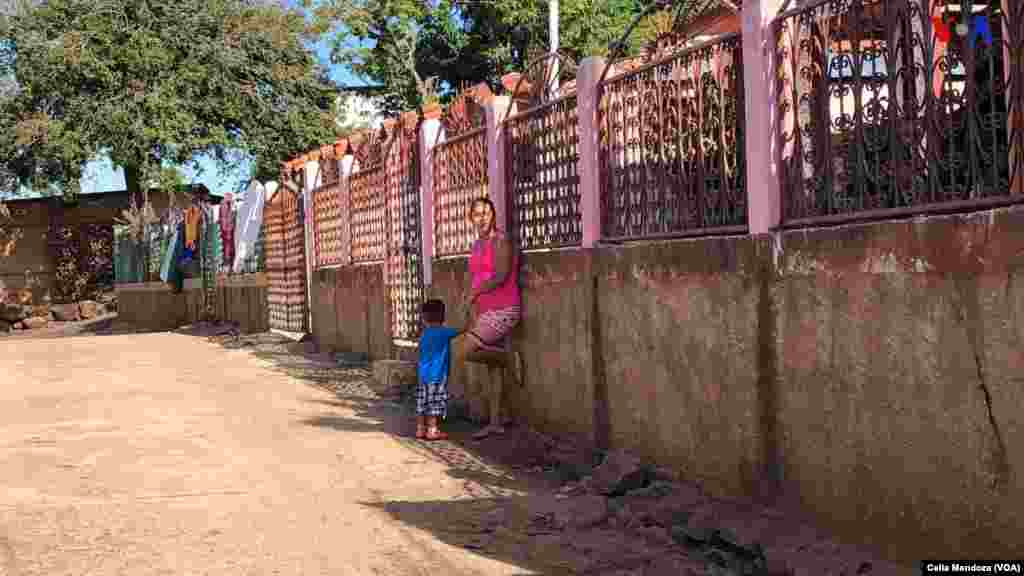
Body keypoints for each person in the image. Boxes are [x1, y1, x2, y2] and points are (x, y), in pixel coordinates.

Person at [451, 197, 524, 440]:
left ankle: (507, 358)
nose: (481, 218)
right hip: (484, 311)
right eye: (476, 214)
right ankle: (495, 422)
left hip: (504, 309)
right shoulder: (477, 245)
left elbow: (502, 275)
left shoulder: (500, 240)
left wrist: (475, 292)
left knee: (461, 350)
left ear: (492, 215)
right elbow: (476, 277)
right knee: (492, 368)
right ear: (470, 218)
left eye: (485, 213)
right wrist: (468, 300)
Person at [416, 299, 459, 441]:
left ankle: (420, 429)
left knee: (422, 403)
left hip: (422, 375)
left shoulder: (424, 334)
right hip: (437, 375)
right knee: (434, 404)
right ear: (443, 316)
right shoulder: (445, 332)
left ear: (424, 318)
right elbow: (463, 329)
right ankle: (432, 430)